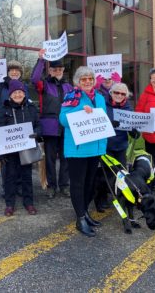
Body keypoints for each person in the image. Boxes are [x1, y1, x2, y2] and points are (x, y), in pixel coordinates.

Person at [59, 66, 107, 237]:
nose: (87, 81)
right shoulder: (72, 97)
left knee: (90, 183)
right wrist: (79, 109)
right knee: (78, 184)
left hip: (95, 148)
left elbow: (103, 120)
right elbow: (63, 120)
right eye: (83, 79)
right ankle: (80, 218)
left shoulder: (100, 98)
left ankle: (85, 212)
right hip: (78, 149)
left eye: (90, 79)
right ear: (77, 82)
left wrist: (103, 145)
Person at [30, 50, 73, 199]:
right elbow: (34, 79)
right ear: (50, 70)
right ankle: (51, 186)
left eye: (60, 69)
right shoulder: (44, 84)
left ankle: (64, 185)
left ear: (63, 70)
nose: (57, 71)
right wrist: (40, 60)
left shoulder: (69, 86)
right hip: (50, 127)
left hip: (67, 127)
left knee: (66, 157)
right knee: (49, 159)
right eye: (54, 69)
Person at [0, 79, 41, 216]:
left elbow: (38, 125)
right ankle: (10, 204)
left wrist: (37, 133)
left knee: (27, 176)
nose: (17, 95)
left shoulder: (31, 108)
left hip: (26, 149)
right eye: (15, 92)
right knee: (10, 177)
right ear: (10, 95)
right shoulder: (4, 109)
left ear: (24, 93)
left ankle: (29, 203)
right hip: (10, 150)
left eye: (20, 92)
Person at [0, 60, 28, 197]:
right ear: (8, 72)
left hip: (20, 128)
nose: (14, 72)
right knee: (5, 161)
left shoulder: (25, 86)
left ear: (20, 73)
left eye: (17, 70)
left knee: (21, 159)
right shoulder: (0, 87)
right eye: (11, 70)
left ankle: (20, 186)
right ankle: (7, 187)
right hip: (4, 128)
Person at [94, 82, 138, 212]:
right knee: (105, 174)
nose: (119, 95)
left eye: (122, 93)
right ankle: (101, 199)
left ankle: (119, 197)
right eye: (116, 92)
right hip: (106, 145)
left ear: (126, 96)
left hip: (121, 146)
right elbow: (97, 123)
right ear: (111, 93)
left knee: (121, 174)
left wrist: (134, 132)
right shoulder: (103, 105)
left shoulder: (129, 109)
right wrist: (109, 124)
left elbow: (131, 128)